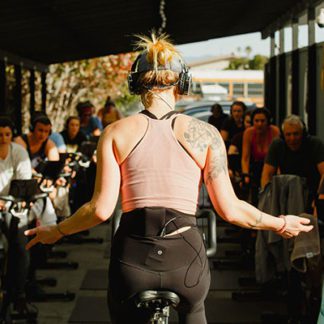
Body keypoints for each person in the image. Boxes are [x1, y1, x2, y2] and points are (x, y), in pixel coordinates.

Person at [24, 34, 313, 324]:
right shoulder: (205, 135)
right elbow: (230, 209)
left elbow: (99, 210)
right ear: (182, 84)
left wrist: (58, 231)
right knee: (194, 311)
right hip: (186, 261)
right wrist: (280, 223)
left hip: (132, 261)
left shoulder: (115, 132)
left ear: (135, 83)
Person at [0, 116, 36, 317]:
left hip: (13, 206)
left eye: (7, 134)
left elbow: (24, 183)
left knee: (22, 245)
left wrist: (11, 201)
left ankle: (19, 293)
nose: (4, 139)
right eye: (0, 135)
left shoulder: (19, 152)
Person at [261, 114, 324, 209]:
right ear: (283, 135)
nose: (292, 139)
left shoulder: (315, 144)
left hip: (313, 190)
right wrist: (267, 197)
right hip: (287, 192)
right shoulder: (277, 145)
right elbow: (266, 174)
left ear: (303, 133)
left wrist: (320, 198)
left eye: (296, 134)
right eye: (288, 135)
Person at [241, 108, 280, 205]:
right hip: (256, 167)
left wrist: (279, 174)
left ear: (268, 122)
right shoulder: (248, 133)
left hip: (272, 166)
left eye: (262, 121)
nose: (259, 124)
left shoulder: (274, 131)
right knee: (254, 196)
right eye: (256, 121)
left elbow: (279, 156)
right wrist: (245, 175)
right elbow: (245, 157)